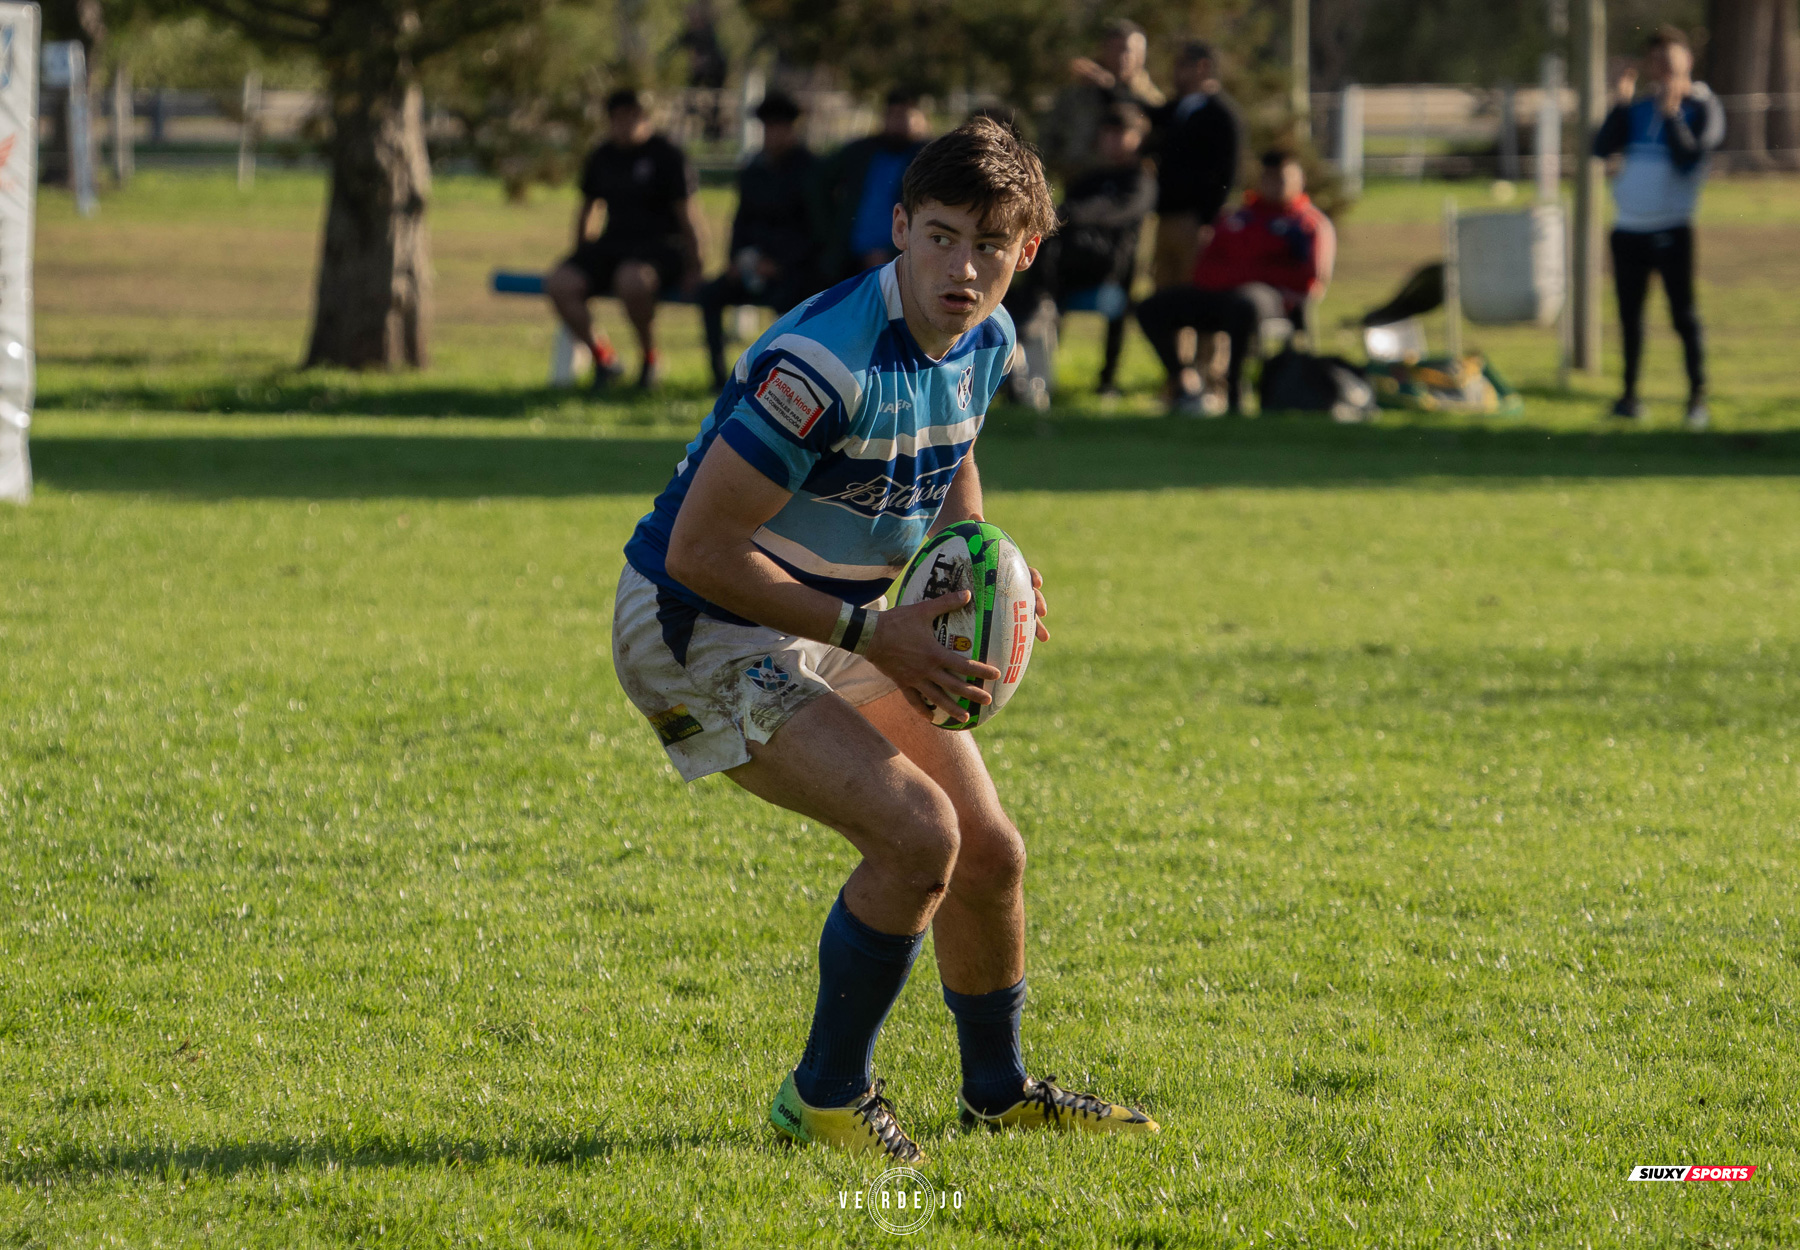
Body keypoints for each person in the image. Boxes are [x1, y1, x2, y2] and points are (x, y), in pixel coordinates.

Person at [612, 117, 1159, 1162]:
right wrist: (874, 630)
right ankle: (823, 1097)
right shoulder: (821, 364)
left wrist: (981, 560)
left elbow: (949, 455)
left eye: (990, 245)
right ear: (899, 227)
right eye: (942, 236)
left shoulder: (985, 339)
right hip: (698, 625)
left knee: (990, 851)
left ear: (1026, 250)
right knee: (919, 837)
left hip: (832, 614)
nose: (963, 268)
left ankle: (995, 1092)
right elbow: (699, 550)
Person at [1593, 25, 1725, 429]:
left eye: (1671, 58)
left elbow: (1690, 157)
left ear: (1687, 59)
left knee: (1682, 315)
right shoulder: (1637, 109)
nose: (1664, 67)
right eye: (1657, 60)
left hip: (1671, 228)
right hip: (1628, 228)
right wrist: (1620, 101)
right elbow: (1601, 147)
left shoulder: (1701, 106)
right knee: (1630, 317)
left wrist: (1670, 116)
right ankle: (1629, 398)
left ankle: (1696, 399)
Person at [1135, 149, 1334, 416]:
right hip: (1220, 295)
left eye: (1282, 178)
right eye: (1268, 178)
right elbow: (1204, 270)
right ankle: (1183, 381)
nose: (1274, 185)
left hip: (1272, 302)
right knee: (1152, 307)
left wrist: (1248, 275)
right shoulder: (1235, 218)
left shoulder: (1306, 223)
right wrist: (1254, 271)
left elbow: (1307, 280)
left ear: (1299, 180)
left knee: (1244, 304)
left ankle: (1234, 394)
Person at [546, 89, 706, 391]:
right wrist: (582, 254)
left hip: (660, 248)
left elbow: (690, 216)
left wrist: (696, 265)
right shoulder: (602, 156)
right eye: (618, 118)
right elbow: (588, 210)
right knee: (560, 282)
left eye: (634, 116)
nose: (626, 124)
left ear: (646, 117)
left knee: (632, 281)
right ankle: (604, 358)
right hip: (614, 244)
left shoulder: (668, 156)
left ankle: (649, 358)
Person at [1006, 104, 1156, 398]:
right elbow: (1059, 215)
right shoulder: (1089, 178)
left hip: (1110, 267)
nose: (1113, 140)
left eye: (1121, 133)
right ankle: (1032, 310)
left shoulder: (1140, 180)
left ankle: (1034, 304)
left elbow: (1115, 212)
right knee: (1046, 244)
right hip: (1067, 265)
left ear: (1138, 138)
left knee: (1049, 251)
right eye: (1108, 134)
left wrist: (1072, 214)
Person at [699, 91, 821, 390]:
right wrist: (734, 261)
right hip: (752, 263)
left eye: (778, 127)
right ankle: (719, 379)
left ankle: (781, 381)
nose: (771, 135)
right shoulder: (754, 169)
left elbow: (816, 230)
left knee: (790, 305)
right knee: (710, 294)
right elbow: (741, 220)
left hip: (797, 270)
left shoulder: (812, 170)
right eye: (767, 128)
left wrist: (781, 264)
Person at [812, 88, 931, 284]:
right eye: (892, 114)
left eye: (905, 115)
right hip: (848, 260)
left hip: (904, 261)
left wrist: (894, 250)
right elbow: (817, 182)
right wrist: (830, 232)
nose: (897, 122)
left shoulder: (928, 157)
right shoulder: (862, 152)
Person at [1149, 42, 1241, 290]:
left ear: (1202, 67)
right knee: (1165, 295)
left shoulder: (1221, 115)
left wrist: (1209, 220)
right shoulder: (1178, 109)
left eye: (1181, 65)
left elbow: (1227, 171)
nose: (1175, 72)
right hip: (1166, 217)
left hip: (1195, 222)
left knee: (1197, 291)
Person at [1036, 19, 1165, 184]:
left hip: (1127, 185)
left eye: (1128, 50)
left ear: (1141, 55)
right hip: (1079, 179)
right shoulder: (1078, 93)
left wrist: (1112, 88)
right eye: (1114, 49)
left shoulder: (1151, 99)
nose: (1121, 57)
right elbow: (1049, 134)